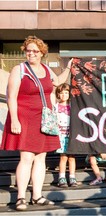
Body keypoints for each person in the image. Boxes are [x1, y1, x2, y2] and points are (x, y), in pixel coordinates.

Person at [0, 35, 72, 211]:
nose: (31, 53)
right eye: (28, 50)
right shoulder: (19, 69)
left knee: (41, 157)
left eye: (35, 51)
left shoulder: (47, 70)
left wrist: (69, 67)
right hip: (25, 117)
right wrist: (14, 119)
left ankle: (37, 195)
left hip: (44, 117)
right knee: (26, 157)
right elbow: (12, 96)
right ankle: (21, 197)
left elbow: (59, 82)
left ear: (42, 53)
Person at [54, 83, 78, 188]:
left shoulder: (73, 107)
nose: (64, 95)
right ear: (58, 94)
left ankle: (72, 177)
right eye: (62, 93)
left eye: (66, 93)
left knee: (72, 157)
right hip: (61, 135)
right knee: (63, 157)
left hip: (71, 134)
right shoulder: (56, 107)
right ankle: (62, 177)